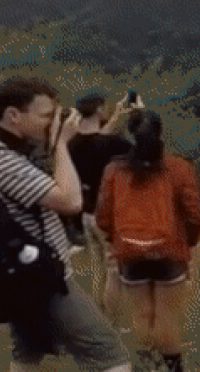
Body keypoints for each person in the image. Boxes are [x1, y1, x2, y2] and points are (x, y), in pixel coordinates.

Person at [0, 76, 131, 372]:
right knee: (108, 353)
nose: (52, 122)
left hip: (14, 276)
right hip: (42, 280)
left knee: (28, 352)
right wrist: (63, 144)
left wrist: (56, 142)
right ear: (14, 115)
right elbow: (70, 201)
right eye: (46, 116)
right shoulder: (3, 161)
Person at [94, 109, 200, 372]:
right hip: (169, 251)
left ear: (130, 136)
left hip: (130, 250)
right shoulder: (180, 168)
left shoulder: (114, 170)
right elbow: (194, 213)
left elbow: (103, 212)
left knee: (142, 312)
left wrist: (114, 240)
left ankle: (148, 362)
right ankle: (172, 366)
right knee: (166, 315)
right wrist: (189, 242)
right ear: (159, 133)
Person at [70, 92, 138, 321]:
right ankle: (110, 322)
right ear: (100, 110)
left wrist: (118, 115)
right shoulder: (113, 144)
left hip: (86, 214)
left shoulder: (71, 144)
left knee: (98, 268)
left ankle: (97, 315)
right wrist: (135, 117)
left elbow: (96, 140)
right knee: (114, 270)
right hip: (108, 214)